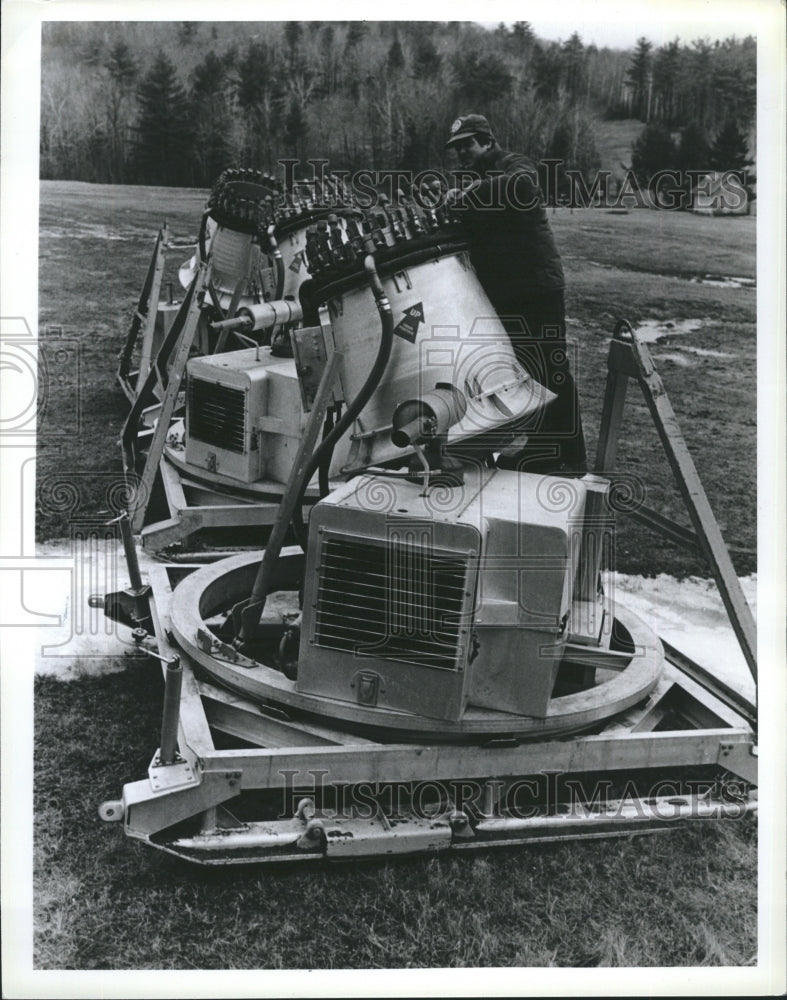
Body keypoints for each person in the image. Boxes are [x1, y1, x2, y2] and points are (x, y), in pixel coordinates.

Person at [443, 113, 587, 474]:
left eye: (468, 145)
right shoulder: (474, 182)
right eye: (456, 149)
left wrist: (467, 193)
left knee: (552, 368)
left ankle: (570, 456)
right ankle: (542, 449)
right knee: (527, 370)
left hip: (536, 287)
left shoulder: (512, 166)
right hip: (510, 291)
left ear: (489, 142)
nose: (462, 154)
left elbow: (521, 183)